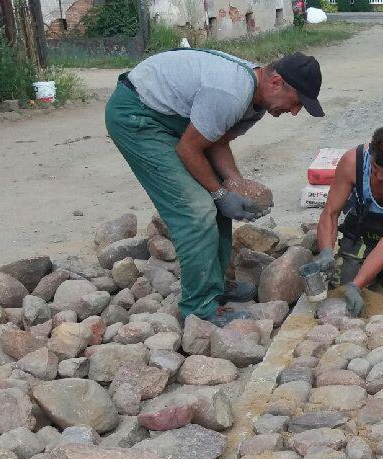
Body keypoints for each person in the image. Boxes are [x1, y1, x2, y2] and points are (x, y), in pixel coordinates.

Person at [106, 48, 324, 324]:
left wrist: (235, 185)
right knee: (197, 210)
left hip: (172, 117)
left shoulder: (256, 104)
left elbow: (215, 140)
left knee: (220, 201)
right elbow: (189, 149)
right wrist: (220, 193)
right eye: (296, 102)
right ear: (276, 82)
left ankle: (214, 284)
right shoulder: (231, 94)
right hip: (138, 117)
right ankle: (199, 307)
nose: (294, 112)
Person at [302, 127, 383, 317]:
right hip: (361, 232)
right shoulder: (353, 162)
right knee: (342, 285)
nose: (380, 177)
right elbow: (330, 212)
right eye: (375, 169)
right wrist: (325, 252)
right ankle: (379, 269)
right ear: (371, 154)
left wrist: (357, 286)